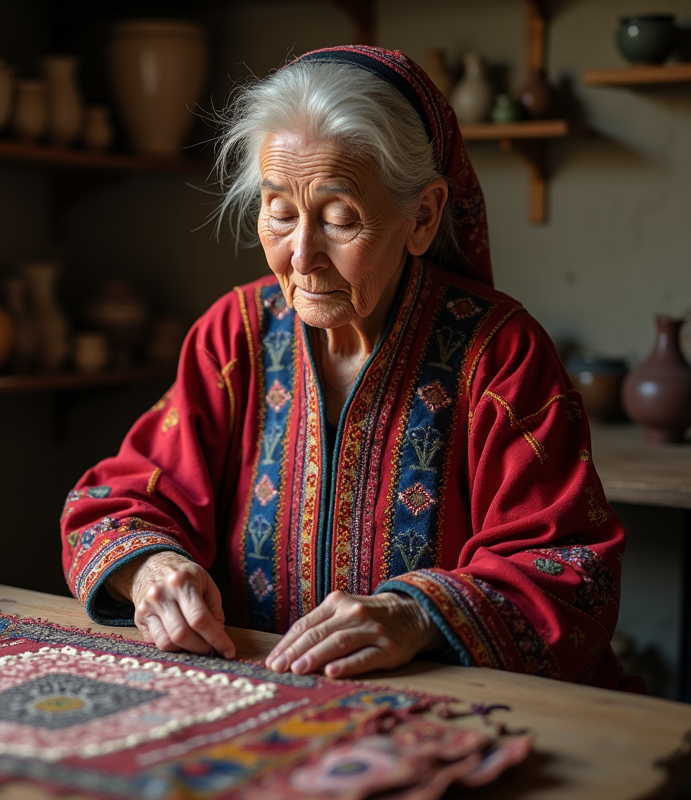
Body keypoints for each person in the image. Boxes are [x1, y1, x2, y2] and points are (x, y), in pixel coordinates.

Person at [61, 46, 631, 690]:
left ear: (422, 216)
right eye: (278, 212)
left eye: (339, 218)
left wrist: (417, 615)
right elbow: (117, 500)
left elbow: (570, 569)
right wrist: (153, 569)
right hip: (256, 699)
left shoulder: (501, 355)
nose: (302, 256)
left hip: (436, 710)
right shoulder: (235, 335)